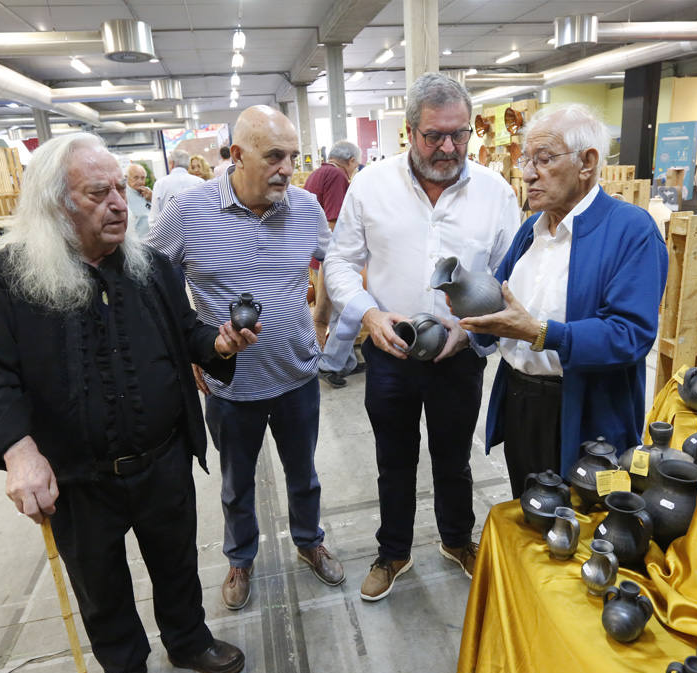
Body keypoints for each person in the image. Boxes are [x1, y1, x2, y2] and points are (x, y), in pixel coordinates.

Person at [0, 133, 258, 673]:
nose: (119, 204)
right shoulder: (13, 277)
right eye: (98, 193)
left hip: (162, 457)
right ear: (56, 204)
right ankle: (123, 668)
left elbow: (188, 333)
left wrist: (218, 343)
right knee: (99, 584)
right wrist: (18, 451)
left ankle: (189, 640)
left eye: (121, 188)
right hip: (77, 478)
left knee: (175, 562)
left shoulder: (151, 267)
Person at [323, 72, 521, 601]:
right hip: (391, 351)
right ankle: (393, 552)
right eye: (435, 135)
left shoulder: (496, 194)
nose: (449, 147)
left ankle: (457, 540)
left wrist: (473, 329)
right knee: (394, 459)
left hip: (459, 354)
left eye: (459, 134)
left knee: (455, 457)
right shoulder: (370, 186)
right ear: (409, 132)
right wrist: (369, 316)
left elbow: (511, 276)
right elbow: (340, 265)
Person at [149, 105, 344, 612]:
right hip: (230, 386)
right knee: (237, 484)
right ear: (237, 155)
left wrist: (322, 323)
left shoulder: (304, 209)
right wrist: (188, 347)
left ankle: (309, 541)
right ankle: (240, 558)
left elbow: (338, 265)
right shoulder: (188, 213)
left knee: (304, 473)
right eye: (274, 156)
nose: (287, 169)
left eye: (294, 157)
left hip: (297, 375)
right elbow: (150, 285)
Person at [458, 104, 668, 498]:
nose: (528, 172)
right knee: (531, 511)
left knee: (584, 530)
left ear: (587, 163)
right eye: (526, 159)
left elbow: (630, 335)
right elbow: (498, 305)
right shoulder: (530, 232)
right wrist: (469, 323)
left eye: (544, 159)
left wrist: (540, 333)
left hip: (588, 414)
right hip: (524, 405)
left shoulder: (630, 231)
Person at [304, 140, 363, 388]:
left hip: (316, 257)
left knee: (338, 309)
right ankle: (330, 363)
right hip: (330, 256)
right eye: (355, 165)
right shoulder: (337, 176)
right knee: (347, 309)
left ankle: (345, 361)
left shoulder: (317, 174)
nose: (355, 169)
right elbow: (334, 221)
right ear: (350, 161)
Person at [149, 148, 203, 229]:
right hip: (196, 235)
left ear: (171, 164)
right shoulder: (200, 182)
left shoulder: (160, 184)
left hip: (169, 236)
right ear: (188, 166)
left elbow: (154, 219)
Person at [125, 163, 152, 241]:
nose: (140, 181)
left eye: (143, 178)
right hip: (137, 242)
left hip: (152, 241)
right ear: (127, 178)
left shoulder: (148, 191)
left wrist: (153, 199)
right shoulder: (124, 195)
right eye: (136, 178)